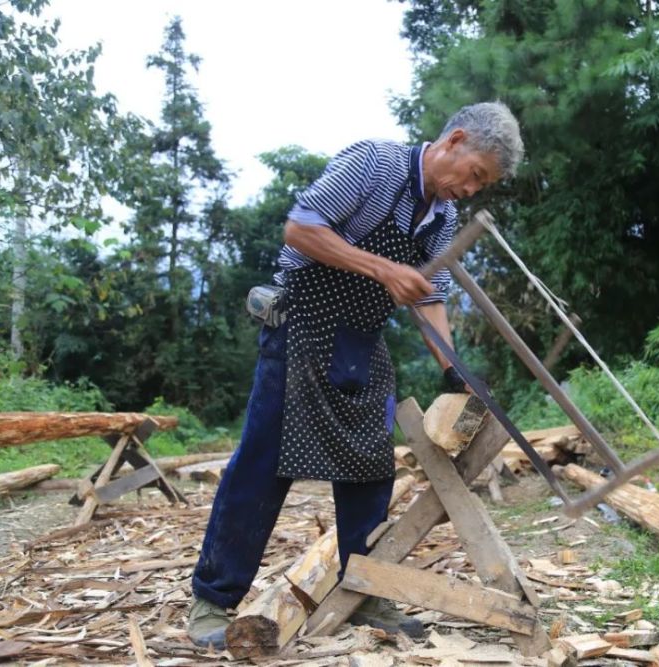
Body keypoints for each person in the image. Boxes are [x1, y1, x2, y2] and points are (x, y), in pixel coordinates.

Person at [187, 102, 524, 649]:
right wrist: (383, 268)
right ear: (455, 140)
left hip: (361, 338)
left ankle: (366, 591)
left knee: (371, 468)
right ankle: (213, 599)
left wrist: (452, 371)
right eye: (476, 174)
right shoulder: (375, 164)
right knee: (263, 464)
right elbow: (301, 228)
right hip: (301, 324)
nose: (472, 189)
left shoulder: (441, 218)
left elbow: (429, 296)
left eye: (483, 184)